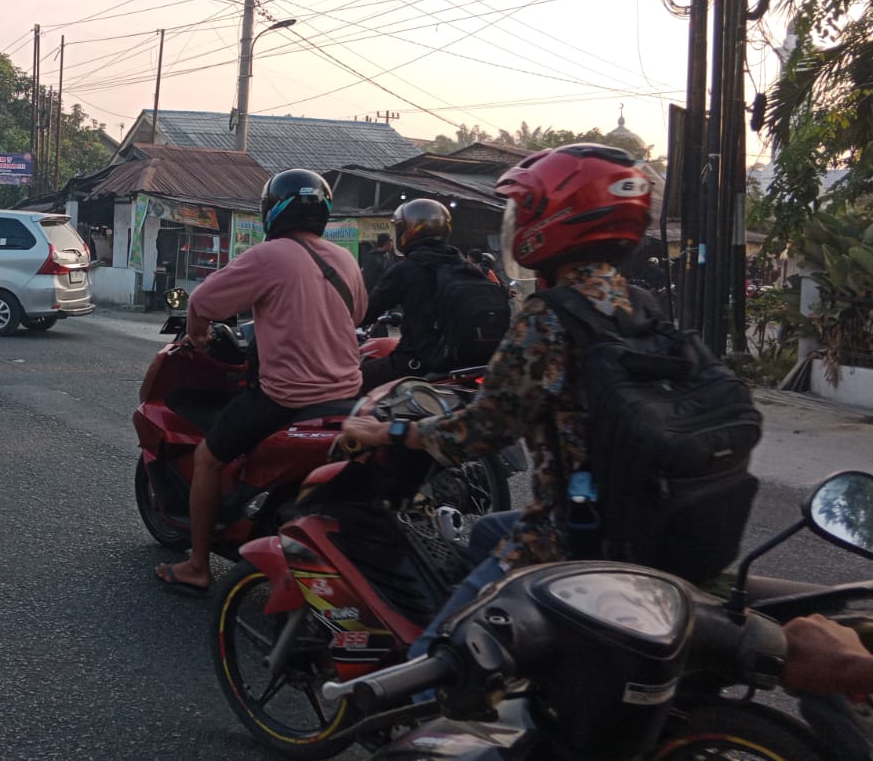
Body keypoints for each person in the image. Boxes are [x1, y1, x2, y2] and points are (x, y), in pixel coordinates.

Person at [339, 143, 654, 656]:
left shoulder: (552, 317)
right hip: (643, 519)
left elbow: (479, 432)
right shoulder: (640, 308)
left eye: (524, 211)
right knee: (485, 532)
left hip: (570, 531)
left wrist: (388, 430)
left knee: (432, 661)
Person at [154, 169, 366, 594]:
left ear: (273, 210)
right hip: (348, 395)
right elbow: (357, 315)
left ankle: (197, 564)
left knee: (208, 457)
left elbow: (203, 300)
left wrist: (197, 334)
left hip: (286, 397)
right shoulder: (344, 258)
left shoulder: (270, 255)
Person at [359, 198, 466, 389]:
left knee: (351, 381)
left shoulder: (406, 270)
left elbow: (366, 312)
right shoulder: (468, 268)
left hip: (417, 364)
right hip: (465, 365)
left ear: (408, 232)